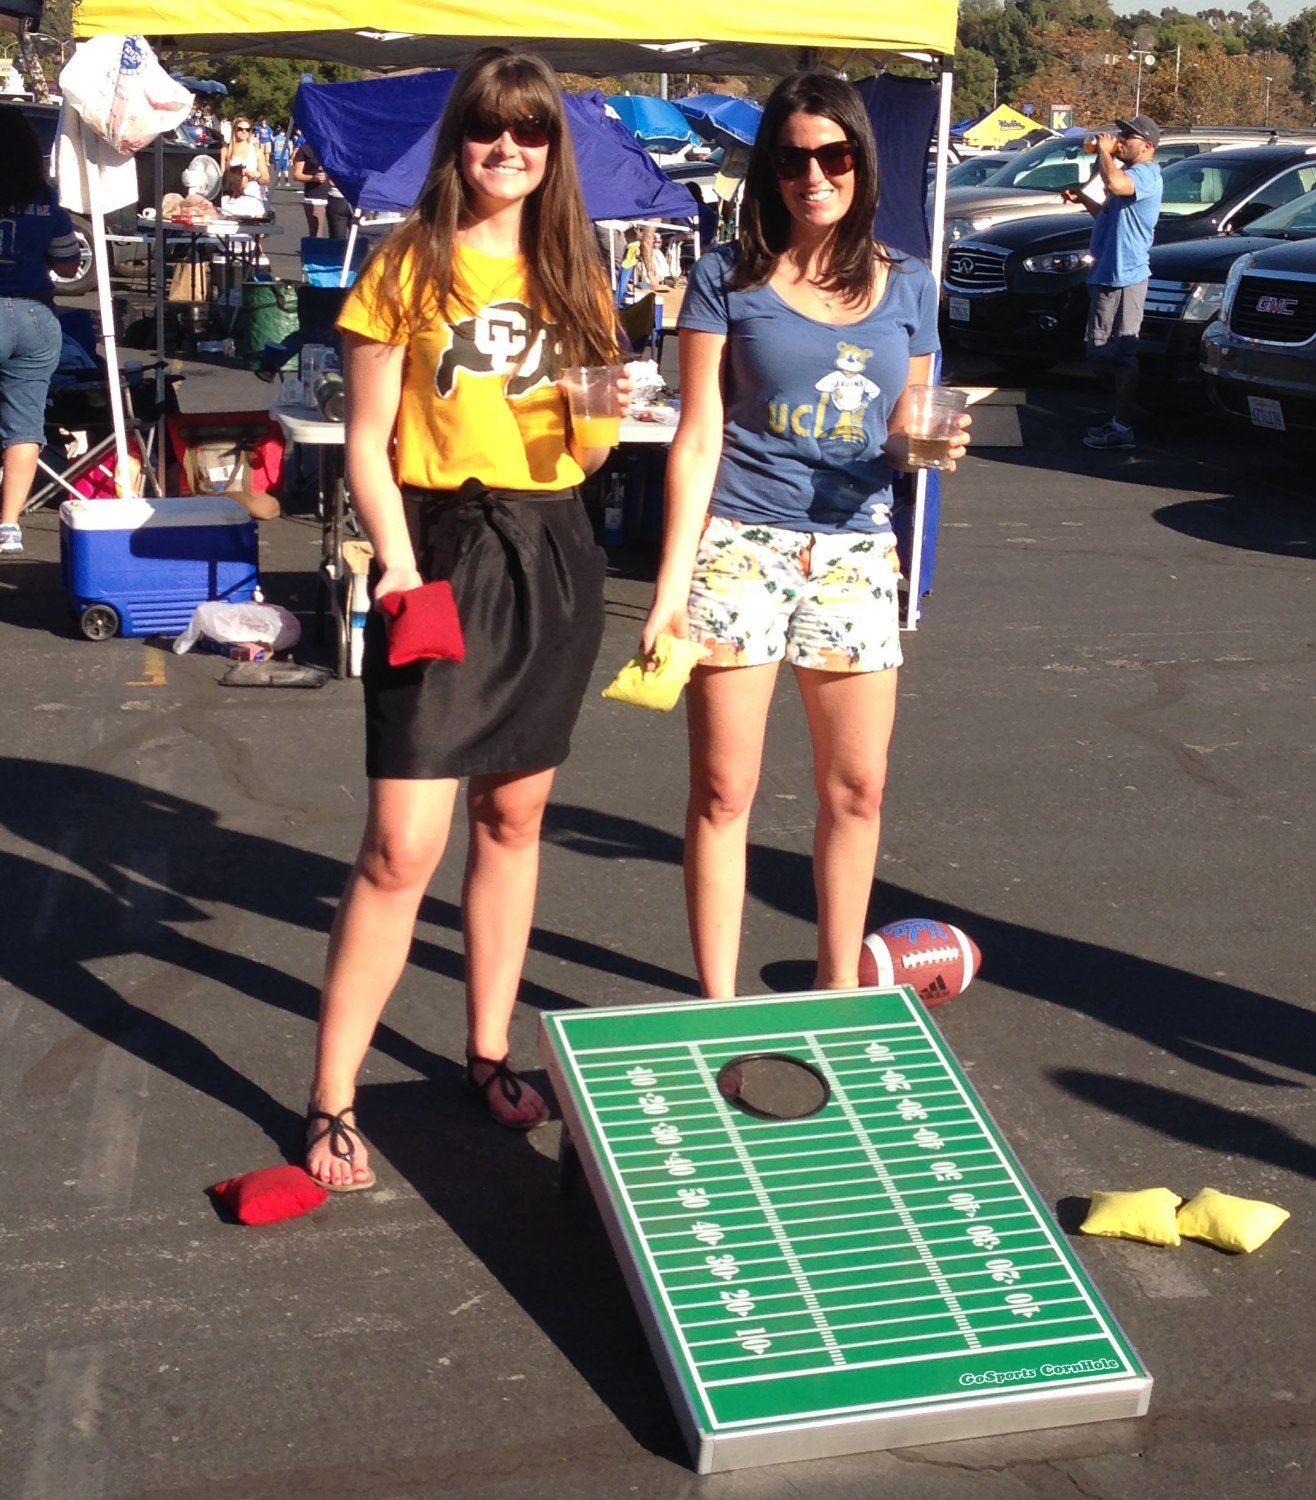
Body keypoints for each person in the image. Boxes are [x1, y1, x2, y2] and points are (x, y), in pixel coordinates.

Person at [303, 48, 628, 1191]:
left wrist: (602, 421)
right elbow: (365, 442)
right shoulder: (407, 264)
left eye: (530, 133)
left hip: (553, 550)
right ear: (461, 140)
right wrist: (395, 562)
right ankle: (332, 1095)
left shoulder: (578, 271)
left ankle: (487, 1050)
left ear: (553, 150)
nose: (508, 152)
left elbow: (590, 448)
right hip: (435, 549)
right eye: (490, 131)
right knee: (402, 845)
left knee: (515, 821)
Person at [641, 73, 971, 1000]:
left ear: (862, 163)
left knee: (856, 791)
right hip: (741, 544)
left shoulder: (907, 281)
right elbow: (698, 433)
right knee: (724, 794)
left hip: (856, 548)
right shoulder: (726, 277)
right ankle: (716, 1003)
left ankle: (836, 993)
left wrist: (929, 443)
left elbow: (910, 425)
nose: (813, 175)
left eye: (834, 155)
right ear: (769, 172)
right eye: (791, 159)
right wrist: (669, 592)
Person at [0, 107, 80, 557]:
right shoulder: (47, 200)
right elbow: (69, 265)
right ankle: (8, 525)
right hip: (33, 314)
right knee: (24, 424)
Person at [1061, 114, 1162, 452]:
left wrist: (1103, 153)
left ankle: (1123, 425)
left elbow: (1117, 185)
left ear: (1146, 146)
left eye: (1127, 136)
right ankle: (1123, 416)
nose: (1120, 140)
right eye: (1119, 135)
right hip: (1106, 274)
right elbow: (1109, 214)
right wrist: (1084, 199)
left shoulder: (1145, 174)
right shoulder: (1129, 176)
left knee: (1118, 353)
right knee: (1099, 351)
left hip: (1127, 277)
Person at [220, 116, 270, 208]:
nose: (244, 132)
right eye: (240, 129)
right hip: (231, 195)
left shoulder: (256, 151)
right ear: (234, 130)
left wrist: (256, 175)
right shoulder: (226, 150)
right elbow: (221, 176)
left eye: (247, 129)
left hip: (252, 194)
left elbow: (266, 178)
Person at [627, 223, 671, 299]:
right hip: (638, 252)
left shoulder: (657, 249)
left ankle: (657, 281)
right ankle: (645, 283)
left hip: (648, 252)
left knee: (657, 261)